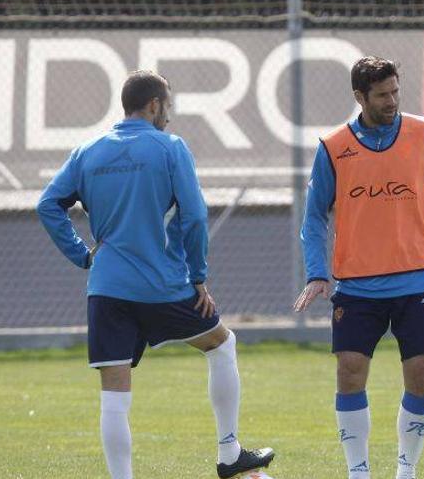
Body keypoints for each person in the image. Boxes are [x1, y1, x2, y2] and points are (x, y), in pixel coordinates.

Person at [36, 70, 274, 479]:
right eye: (168, 106)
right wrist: (198, 276)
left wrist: (82, 256)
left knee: (114, 392)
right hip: (162, 286)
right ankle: (229, 453)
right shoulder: (170, 148)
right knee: (221, 345)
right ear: (153, 105)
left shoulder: (88, 151)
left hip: (107, 288)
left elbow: (47, 204)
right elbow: (195, 215)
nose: (170, 114)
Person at [293, 56, 424, 479]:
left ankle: (406, 469)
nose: (392, 101)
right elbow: (314, 215)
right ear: (359, 97)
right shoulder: (334, 147)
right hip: (357, 286)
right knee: (350, 373)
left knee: (420, 376)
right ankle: (358, 471)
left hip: (420, 278)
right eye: (381, 95)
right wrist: (318, 271)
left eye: (395, 92)